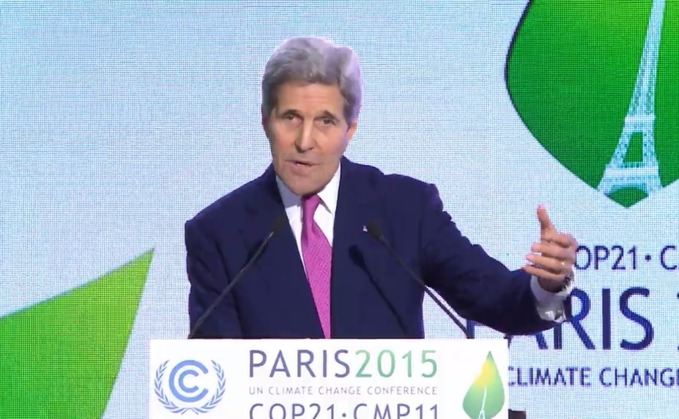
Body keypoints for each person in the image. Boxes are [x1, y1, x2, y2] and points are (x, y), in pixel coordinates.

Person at [185, 36, 577, 339]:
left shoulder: (405, 209)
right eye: (290, 117)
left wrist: (546, 284)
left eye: (324, 121)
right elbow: (216, 369)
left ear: (349, 129)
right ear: (265, 121)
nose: (305, 141)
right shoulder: (219, 232)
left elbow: (494, 297)